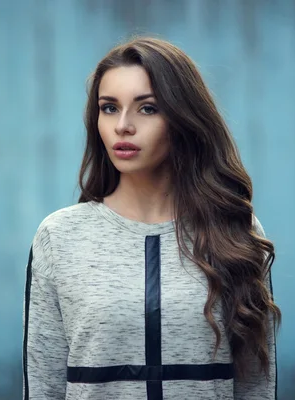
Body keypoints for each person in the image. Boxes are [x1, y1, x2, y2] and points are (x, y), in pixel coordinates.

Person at [22, 36, 281, 400]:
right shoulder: (60, 236)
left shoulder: (234, 231)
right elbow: (43, 386)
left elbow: (256, 387)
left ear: (182, 118)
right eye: (109, 108)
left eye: (147, 109)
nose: (123, 126)